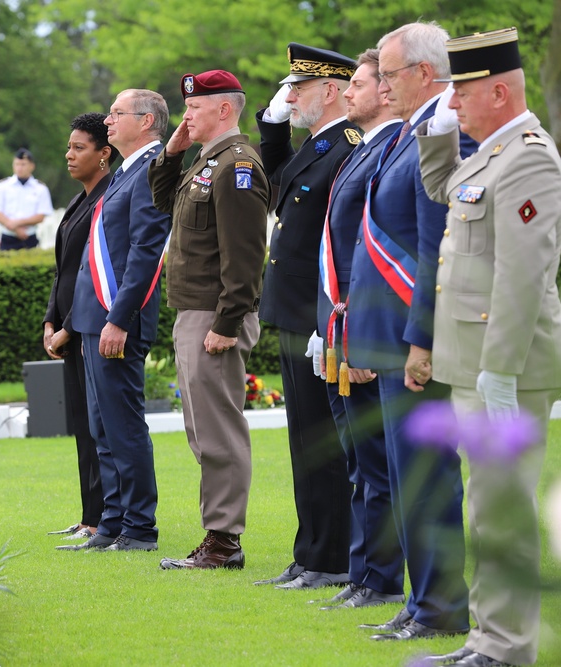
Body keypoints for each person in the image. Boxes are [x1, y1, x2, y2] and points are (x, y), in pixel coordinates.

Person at [416, 27, 561, 667]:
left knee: (502, 509)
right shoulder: (490, 152)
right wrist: (439, 127)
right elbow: (442, 188)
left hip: (508, 368)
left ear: (500, 92)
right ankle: (487, 637)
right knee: (486, 506)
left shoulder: (528, 155)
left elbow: (523, 274)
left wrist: (499, 370)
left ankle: (507, 648)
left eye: (464, 92)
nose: (455, 103)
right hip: (478, 365)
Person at [345, 21, 474, 641]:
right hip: (390, 335)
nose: (381, 83)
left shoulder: (442, 130)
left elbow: (434, 247)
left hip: (414, 338)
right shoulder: (409, 132)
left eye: (389, 73)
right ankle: (422, 600)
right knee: (402, 477)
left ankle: (441, 608)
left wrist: (422, 337)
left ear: (424, 72)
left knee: (425, 476)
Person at [148, 70, 268, 570]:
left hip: (214, 315)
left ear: (225, 109)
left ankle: (224, 542)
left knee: (218, 431)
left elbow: (244, 255)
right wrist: (172, 152)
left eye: (195, 107)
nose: (186, 115)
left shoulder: (236, 164)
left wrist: (227, 322)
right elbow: (161, 203)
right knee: (202, 430)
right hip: (195, 311)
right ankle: (217, 536)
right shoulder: (205, 161)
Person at [254, 43, 358, 590]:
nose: (289, 97)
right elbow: (279, 190)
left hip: (319, 312)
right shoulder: (317, 144)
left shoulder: (346, 145)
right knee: (303, 438)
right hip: (295, 310)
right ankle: (310, 552)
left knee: (323, 441)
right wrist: (273, 127)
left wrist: (327, 317)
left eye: (298, 89)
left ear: (331, 91)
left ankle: (330, 557)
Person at [311, 50, 406, 611]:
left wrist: (361, 334)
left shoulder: (389, 150)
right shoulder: (363, 149)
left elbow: (373, 250)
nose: (347, 93)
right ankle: (362, 572)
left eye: (359, 84)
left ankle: (382, 578)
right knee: (356, 460)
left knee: (374, 461)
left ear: (386, 93)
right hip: (338, 324)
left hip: (361, 326)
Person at [59, 89, 171, 553]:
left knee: (123, 426)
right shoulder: (125, 170)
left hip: (116, 320)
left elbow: (147, 250)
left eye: (117, 113)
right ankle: (111, 523)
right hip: (93, 318)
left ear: (145, 122)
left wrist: (120, 318)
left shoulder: (150, 169)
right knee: (101, 428)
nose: (108, 120)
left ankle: (139, 526)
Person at [43, 113, 113, 544]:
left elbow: (95, 274)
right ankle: (90, 515)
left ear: (104, 154)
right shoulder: (79, 199)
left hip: (89, 328)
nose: (69, 155)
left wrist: (68, 327)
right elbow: (64, 270)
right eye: (69, 147)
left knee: (97, 427)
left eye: (79, 148)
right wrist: (51, 318)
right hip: (68, 328)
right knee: (80, 426)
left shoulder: (107, 198)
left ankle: (103, 517)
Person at [0, 148, 54, 250]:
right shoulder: (3, 186)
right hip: (8, 237)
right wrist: (16, 229)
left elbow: (40, 216)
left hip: (29, 237)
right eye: (17, 164)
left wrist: (17, 223)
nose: (19, 168)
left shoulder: (40, 188)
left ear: (32, 166)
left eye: (23, 164)